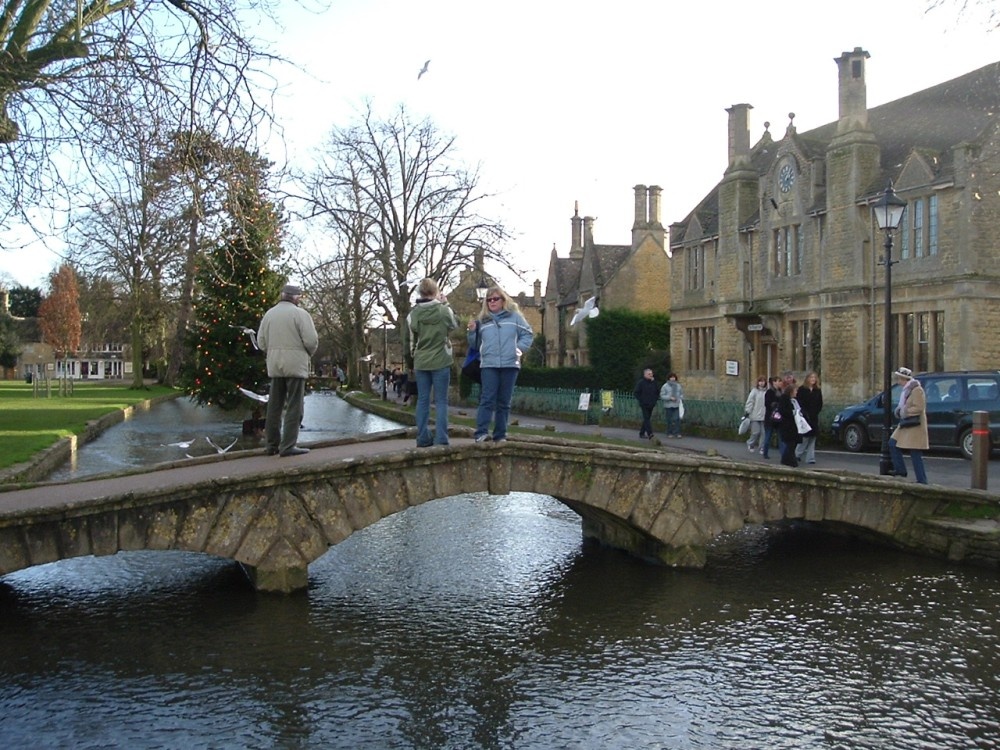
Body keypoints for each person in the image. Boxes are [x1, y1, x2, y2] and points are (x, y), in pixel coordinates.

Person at [257, 283, 319, 457]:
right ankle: (288, 445)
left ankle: (271, 445)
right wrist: (307, 354)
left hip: (275, 365)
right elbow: (311, 341)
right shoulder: (300, 314)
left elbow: (261, 343)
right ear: (296, 297)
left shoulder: (269, 314)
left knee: (274, 406)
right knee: (294, 406)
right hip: (295, 365)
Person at [468, 286, 534, 443]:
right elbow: (475, 345)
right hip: (489, 364)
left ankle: (500, 435)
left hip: (510, 364)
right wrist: (472, 332)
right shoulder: (483, 321)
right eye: (489, 300)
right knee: (487, 399)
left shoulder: (515, 318)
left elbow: (528, 334)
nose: (492, 302)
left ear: (503, 300)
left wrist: (519, 349)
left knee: (504, 402)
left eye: (495, 299)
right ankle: (481, 433)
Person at [404, 278, 458, 447]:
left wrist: (414, 357)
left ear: (420, 292)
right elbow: (454, 325)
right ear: (436, 292)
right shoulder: (443, 311)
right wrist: (446, 304)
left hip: (422, 361)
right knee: (441, 401)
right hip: (441, 360)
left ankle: (422, 437)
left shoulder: (413, 314)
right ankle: (441, 438)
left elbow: (412, 341)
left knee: (422, 400)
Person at [889, 366, 929, 484]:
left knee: (915, 452)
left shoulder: (917, 390)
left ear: (904, 379)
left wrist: (904, 411)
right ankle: (900, 470)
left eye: (899, 379)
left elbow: (919, 407)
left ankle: (922, 480)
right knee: (892, 443)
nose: (898, 381)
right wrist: (900, 411)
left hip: (914, 425)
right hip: (907, 424)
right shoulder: (907, 390)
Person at [794, 371, 823, 464]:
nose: (813, 380)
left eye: (814, 378)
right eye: (811, 378)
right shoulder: (802, 389)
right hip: (805, 416)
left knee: (812, 438)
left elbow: (820, 403)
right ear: (807, 379)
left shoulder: (817, 390)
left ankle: (810, 458)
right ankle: (796, 454)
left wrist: (816, 411)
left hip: (814, 416)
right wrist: (803, 412)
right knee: (805, 438)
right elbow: (798, 402)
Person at [776, 381, 802, 467]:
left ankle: (787, 459)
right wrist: (792, 412)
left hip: (794, 425)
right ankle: (790, 461)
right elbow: (782, 411)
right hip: (787, 425)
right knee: (790, 444)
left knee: (793, 444)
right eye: (795, 391)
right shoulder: (784, 398)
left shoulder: (794, 400)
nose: (796, 393)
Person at [633, 368, 660, 439]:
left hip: (651, 403)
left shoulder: (654, 383)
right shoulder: (641, 383)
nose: (651, 375)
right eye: (649, 374)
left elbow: (657, 391)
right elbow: (636, 393)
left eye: (651, 374)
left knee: (647, 418)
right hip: (644, 404)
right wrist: (641, 400)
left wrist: (655, 400)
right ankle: (650, 433)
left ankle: (641, 433)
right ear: (645, 375)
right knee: (646, 418)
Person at [743, 376, 768, 452]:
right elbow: (750, 402)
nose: (762, 383)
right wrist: (748, 411)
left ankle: (762, 447)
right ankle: (751, 443)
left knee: (764, 433)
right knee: (756, 432)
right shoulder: (754, 391)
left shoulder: (767, 392)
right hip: (755, 415)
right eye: (760, 381)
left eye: (763, 381)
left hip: (764, 415)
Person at [760, 376, 781, 458]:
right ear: (774, 382)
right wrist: (775, 405)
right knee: (768, 436)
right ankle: (765, 452)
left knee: (781, 437)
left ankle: (783, 454)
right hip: (770, 418)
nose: (780, 383)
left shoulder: (780, 392)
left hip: (779, 417)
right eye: (778, 381)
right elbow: (767, 404)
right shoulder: (769, 392)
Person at [659, 373, 684, 437]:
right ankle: (669, 432)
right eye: (671, 377)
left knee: (677, 419)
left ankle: (677, 432)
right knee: (669, 420)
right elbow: (662, 395)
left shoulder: (678, 386)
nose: (673, 378)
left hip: (676, 404)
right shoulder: (665, 386)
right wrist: (669, 398)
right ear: (669, 378)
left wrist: (679, 398)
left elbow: (681, 394)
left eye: (674, 377)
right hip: (668, 405)